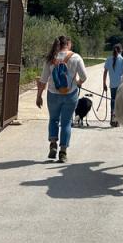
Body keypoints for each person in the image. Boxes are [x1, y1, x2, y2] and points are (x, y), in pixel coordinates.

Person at [36, 35, 87, 163]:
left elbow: (43, 80)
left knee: (53, 119)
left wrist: (39, 96)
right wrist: (78, 82)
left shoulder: (51, 58)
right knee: (66, 123)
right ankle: (63, 152)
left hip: (53, 94)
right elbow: (84, 77)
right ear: (68, 44)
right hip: (70, 95)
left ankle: (53, 144)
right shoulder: (76, 57)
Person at [103, 43, 123, 127]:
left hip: (112, 85)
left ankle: (112, 120)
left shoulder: (109, 59)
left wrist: (104, 83)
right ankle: (117, 120)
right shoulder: (122, 59)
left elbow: (105, 72)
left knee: (112, 101)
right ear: (121, 50)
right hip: (121, 85)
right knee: (119, 102)